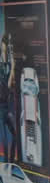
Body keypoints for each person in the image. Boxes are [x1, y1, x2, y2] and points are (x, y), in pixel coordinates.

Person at [0, 33, 16, 163]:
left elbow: (10, 83)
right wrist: (12, 70)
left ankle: (10, 161)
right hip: (1, 109)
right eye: (4, 44)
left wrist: (12, 68)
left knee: (14, 134)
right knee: (4, 141)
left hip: (7, 107)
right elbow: (8, 85)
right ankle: (6, 164)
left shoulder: (7, 62)